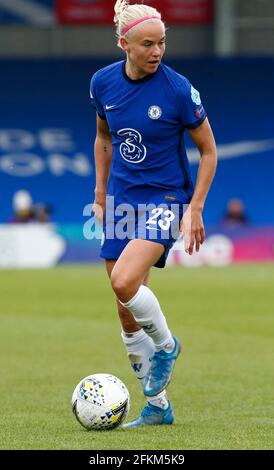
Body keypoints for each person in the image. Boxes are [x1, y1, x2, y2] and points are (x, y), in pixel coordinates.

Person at [90, 0, 217, 428]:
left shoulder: (179, 89)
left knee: (123, 281)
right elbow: (104, 139)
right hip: (123, 201)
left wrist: (194, 207)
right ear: (124, 43)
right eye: (147, 44)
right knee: (126, 310)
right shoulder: (102, 83)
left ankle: (166, 345)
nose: (157, 51)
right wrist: (101, 191)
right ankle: (159, 407)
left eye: (162, 42)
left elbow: (208, 151)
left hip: (165, 200)